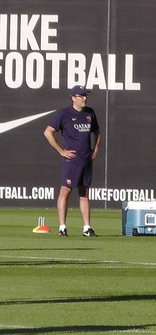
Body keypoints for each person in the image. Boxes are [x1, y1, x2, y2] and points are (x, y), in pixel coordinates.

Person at [43, 85, 101, 237]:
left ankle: (87, 228)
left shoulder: (90, 113)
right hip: (72, 160)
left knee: (84, 193)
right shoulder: (65, 114)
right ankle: (62, 227)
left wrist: (96, 147)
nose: (84, 98)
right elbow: (48, 132)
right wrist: (61, 151)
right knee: (65, 191)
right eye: (81, 96)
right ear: (73, 98)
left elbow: (97, 131)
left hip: (86, 159)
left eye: (85, 95)